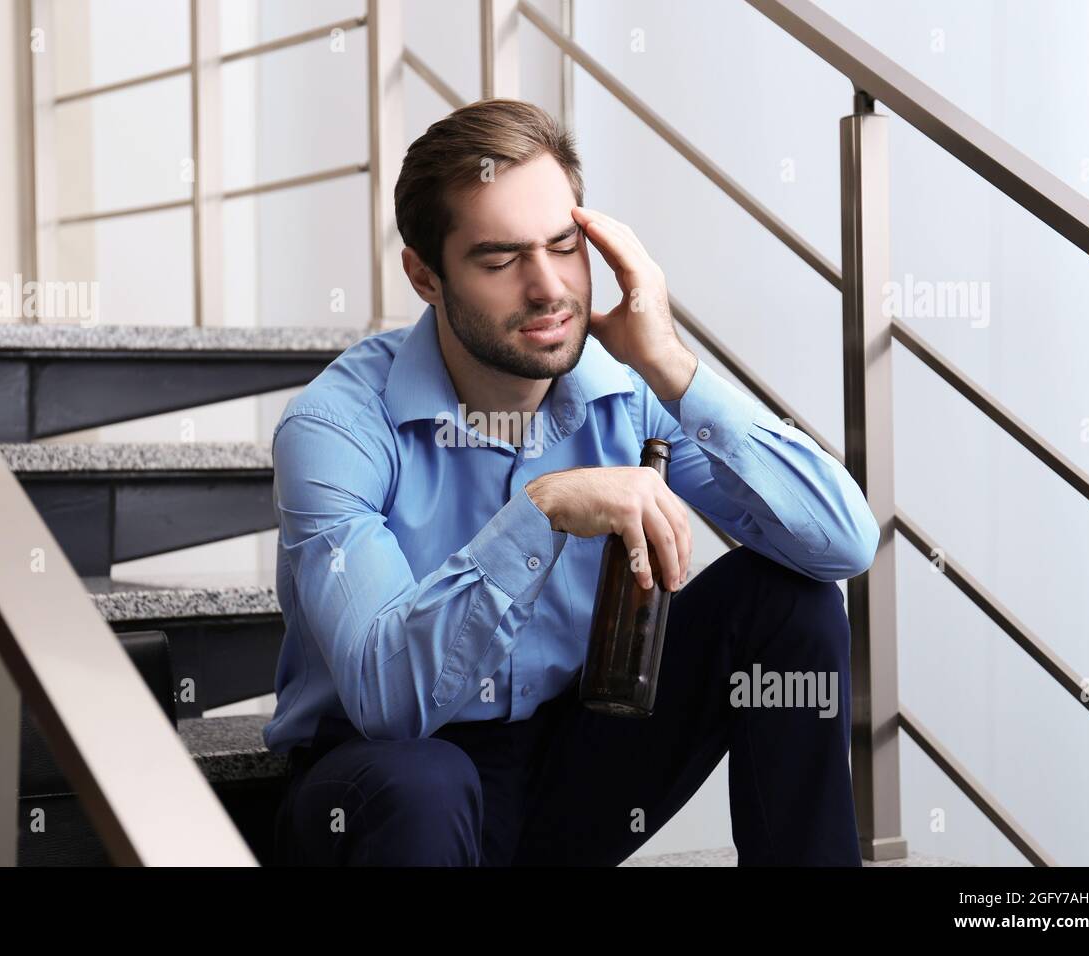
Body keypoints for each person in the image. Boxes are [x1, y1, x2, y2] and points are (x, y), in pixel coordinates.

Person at [264, 98, 879, 866]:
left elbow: (843, 543)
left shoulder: (627, 389)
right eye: (500, 260)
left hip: (569, 771)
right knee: (424, 781)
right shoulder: (337, 427)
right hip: (382, 789)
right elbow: (390, 703)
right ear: (424, 275)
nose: (549, 288)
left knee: (789, 603)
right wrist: (543, 510)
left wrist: (671, 364)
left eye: (565, 246)